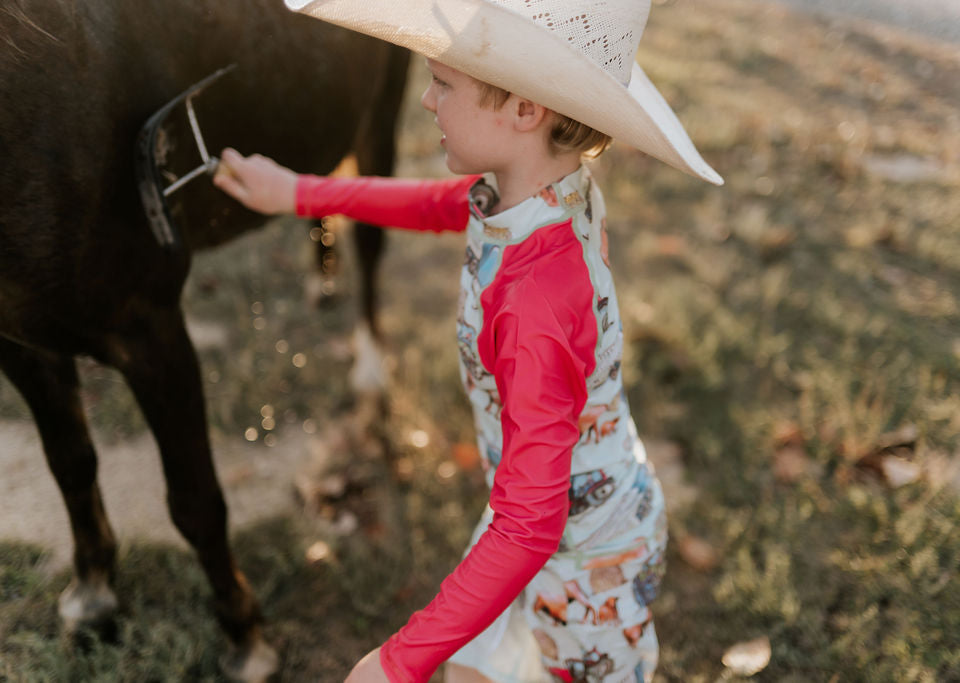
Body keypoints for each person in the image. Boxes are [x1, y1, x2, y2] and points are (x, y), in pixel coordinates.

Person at [214, 1, 723, 681]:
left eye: (444, 84)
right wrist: (300, 192)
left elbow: (530, 524)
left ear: (523, 110)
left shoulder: (535, 300)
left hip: (580, 563)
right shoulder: (535, 193)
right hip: (551, 501)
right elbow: (436, 204)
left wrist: (398, 662)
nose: (425, 100)